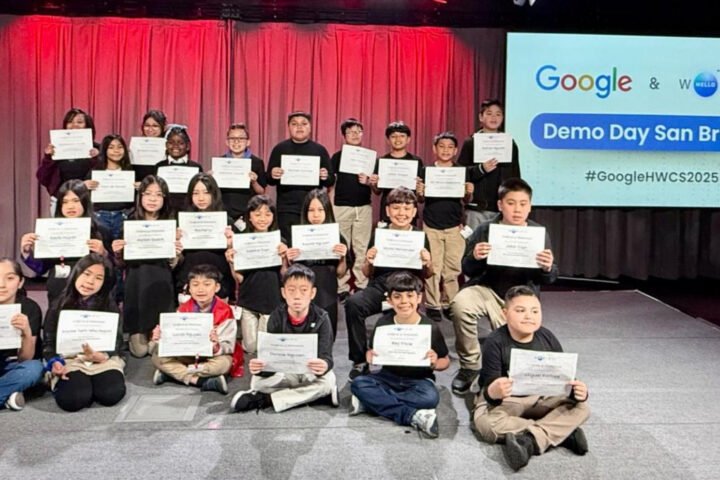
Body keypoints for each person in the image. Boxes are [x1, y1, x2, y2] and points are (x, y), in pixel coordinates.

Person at [450, 178, 558, 394]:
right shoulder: (485, 229)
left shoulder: (538, 233)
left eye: (523, 204)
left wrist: (547, 268)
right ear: (500, 205)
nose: (517, 209)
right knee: (460, 304)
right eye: (511, 203)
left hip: (520, 296)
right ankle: (470, 366)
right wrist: (475, 257)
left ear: (530, 206)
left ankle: (502, 373)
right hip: (487, 289)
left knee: (514, 354)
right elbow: (467, 268)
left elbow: (550, 278)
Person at [473, 285, 589, 471]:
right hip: (509, 401)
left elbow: (565, 379)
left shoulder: (547, 336)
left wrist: (578, 393)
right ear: (505, 314)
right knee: (487, 425)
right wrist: (494, 391)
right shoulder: (495, 341)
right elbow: (489, 392)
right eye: (520, 311)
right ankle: (561, 433)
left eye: (535, 311)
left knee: (582, 408)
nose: (529, 316)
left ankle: (529, 441)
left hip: (542, 396)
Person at [345, 187, 433, 381]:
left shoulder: (420, 236)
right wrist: (368, 261)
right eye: (396, 208)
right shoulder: (379, 234)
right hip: (380, 287)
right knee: (353, 304)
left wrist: (428, 262)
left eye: (407, 208)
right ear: (387, 210)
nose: (401, 213)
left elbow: (428, 274)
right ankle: (360, 360)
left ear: (414, 212)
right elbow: (367, 273)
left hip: (407, 290)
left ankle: (407, 365)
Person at [349, 271, 449, 437]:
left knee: (430, 397)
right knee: (358, 384)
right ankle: (413, 415)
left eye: (410, 296)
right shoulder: (383, 324)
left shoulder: (430, 327)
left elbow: (445, 361)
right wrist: (370, 356)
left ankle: (372, 403)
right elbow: (374, 352)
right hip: (388, 377)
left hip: (419, 380)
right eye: (397, 297)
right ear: (389, 300)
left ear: (419, 298)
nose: (404, 302)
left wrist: (435, 362)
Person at [230, 264, 337, 413]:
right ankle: (314, 396)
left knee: (328, 381)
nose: (297, 296)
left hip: (309, 373)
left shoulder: (322, 318)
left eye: (304, 290)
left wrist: (324, 365)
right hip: (285, 371)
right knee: (256, 383)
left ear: (312, 293)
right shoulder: (276, 317)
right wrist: (260, 369)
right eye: (291, 290)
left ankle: (266, 399)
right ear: (283, 292)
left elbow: (326, 356)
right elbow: (269, 358)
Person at [43, 254, 126, 412]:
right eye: (86, 274)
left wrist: (102, 355)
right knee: (74, 399)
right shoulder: (58, 305)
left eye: (98, 278)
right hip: (69, 359)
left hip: (102, 359)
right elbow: (48, 343)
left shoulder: (110, 306)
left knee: (111, 394)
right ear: (76, 273)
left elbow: (117, 341)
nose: (90, 282)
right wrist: (54, 362)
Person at [112, 175, 179, 358]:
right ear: (140, 196)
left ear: (164, 198)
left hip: (161, 283)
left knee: (157, 348)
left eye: (158, 195)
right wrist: (118, 252)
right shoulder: (129, 222)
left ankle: (156, 337)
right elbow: (120, 264)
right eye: (148, 194)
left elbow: (175, 265)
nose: (152, 199)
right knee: (140, 351)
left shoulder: (171, 223)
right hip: (136, 284)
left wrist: (176, 253)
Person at [20, 179, 111, 307]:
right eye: (65, 202)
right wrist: (26, 252)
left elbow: (113, 270)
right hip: (59, 291)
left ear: (85, 202)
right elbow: (41, 268)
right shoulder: (50, 230)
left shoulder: (100, 230)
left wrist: (104, 253)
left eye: (75, 201)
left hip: (92, 294)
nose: (70, 206)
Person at [150, 264, 238, 394]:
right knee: (157, 356)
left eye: (207, 284)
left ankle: (173, 374)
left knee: (225, 363)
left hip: (210, 357)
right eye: (195, 285)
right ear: (189, 288)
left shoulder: (225, 312)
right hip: (187, 354)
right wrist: (160, 339)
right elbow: (173, 342)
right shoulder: (183, 309)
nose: (201, 289)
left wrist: (216, 346)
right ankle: (199, 380)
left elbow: (229, 346)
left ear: (217, 287)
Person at [417, 132, 473, 321]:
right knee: (433, 268)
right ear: (434, 149)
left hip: (455, 226)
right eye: (441, 146)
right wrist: (420, 192)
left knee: (452, 269)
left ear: (455, 150)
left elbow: (466, 200)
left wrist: (469, 192)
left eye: (450, 147)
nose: (446, 150)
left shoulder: (461, 171)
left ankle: (449, 303)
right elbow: (420, 199)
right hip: (431, 225)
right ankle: (432, 304)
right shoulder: (426, 170)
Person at [225, 195, 288, 354]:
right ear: (250, 217)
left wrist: (284, 258)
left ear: (273, 216)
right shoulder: (241, 242)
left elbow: (284, 275)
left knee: (266, 347)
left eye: (267, 214)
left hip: (271, 301)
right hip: (248, 300)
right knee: (251, 346)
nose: (262, 219)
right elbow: (239, 278)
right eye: (257, 214)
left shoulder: (280, 242)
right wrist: (231, 262)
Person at [286, 189, 348, 338]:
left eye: (320, 210)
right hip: (302, 291)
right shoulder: (297, 237)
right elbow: (287, 273)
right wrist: (288, 259)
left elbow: (341, 273)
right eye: (311, 210)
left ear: (327, 211)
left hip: (327, 290)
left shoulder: (337, 237)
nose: (316, 215)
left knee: (327, 334)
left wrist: (342, 258)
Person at [265, 111, 335, 240]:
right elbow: (268, 179)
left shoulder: (319, 150)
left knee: (310, 242)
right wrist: (273, 174)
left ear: (310, 127)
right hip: (287, 208)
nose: (299, 127)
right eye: (294, 124)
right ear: (288, 127)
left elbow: (331, 181)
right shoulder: (279, 149)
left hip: (313, 209)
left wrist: (325, 176)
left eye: (304, 124)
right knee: (289, 243)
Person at [329, 118, 376, 298]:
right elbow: (331, 184)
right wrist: (331, 206)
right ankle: (342, 287)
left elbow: (376, 187)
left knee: (361, 247)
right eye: (351, 132)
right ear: (344, 136)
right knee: (342, 247)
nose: (355, 135)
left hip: (363, 207)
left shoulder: (369, 157)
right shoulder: (337, 157)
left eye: (358, 131)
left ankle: (361, 284)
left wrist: (369, 181)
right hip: (341, 207)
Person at [457, 99, 521, 231]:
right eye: (489, 113)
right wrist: (481, 169)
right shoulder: (471, 142)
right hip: (477, 208)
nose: (494, 117)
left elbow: (515, 175)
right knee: (475, 242)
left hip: (502, 208)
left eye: (498, 114)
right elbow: (460, 172)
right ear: (481, 117)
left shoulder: (509, 143)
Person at [174, 173, 236, 302]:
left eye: (206, 192)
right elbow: (177, 261)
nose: (201, 198)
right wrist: (177, 246)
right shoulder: (182, 223)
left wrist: (231, 245)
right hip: (188, 285)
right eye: (196, 193)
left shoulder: (227, 222)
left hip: (219, 285)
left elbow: (234, 260)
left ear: (214, 194)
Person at [0, 258, 44, 411]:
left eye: (10, 278)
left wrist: (26, 332)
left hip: (14, 366)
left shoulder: (30, 308)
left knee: (34, 369)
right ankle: (8, 395)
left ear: (20, 282)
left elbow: (26, 359)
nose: (2, 285)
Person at [36, 108, 100, 210]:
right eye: (70, 122)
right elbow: (42, 177)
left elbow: (105, 177)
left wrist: (97, 158)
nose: (74, 125)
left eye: (79, 122)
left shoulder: (98, 149)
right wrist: (48, 158)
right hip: (62, 200)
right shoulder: (56, 149)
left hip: (90, 201)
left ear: (88, 126)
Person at [372, 121, 423, 224]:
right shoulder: (381, 161)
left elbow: (420, 197)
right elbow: (377, 191)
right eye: (393, 136)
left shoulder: (416, 161)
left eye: (402, 136)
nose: (398, 139)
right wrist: (373, 184)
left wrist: (419, 188)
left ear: (408, 139)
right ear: (388, 140)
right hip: (388, 211)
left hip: (408, 210)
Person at [215, 122, 266, 225]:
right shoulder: (220, 162)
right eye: (232, 138)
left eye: (241, 138)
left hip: (247, 212)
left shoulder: (257, 162)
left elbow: (261, 192)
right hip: (224, 211)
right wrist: (211, 179)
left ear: (248, 142)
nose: (236, 142)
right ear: (227, 142)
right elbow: (214, 191)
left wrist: (254, 182)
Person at [155, 125, 204, 214]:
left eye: (180, 143)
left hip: (188, 212)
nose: (175, 146)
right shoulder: (159, 166)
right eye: (171, 142)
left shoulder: (196, 167)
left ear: (187, 146)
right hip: (164, 212)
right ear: (166, 145)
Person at [133, 109, 169, 181]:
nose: (150, 129)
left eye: (155, 126)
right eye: (147, 125)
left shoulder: (169, 148)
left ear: (164, 127)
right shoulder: (135, 146)